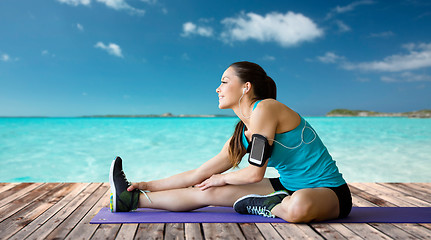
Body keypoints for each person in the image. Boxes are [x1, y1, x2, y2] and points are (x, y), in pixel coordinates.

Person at [109, 61, 352, 223]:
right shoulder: (241, 134)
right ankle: (129, 200)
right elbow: (199, 174)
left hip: (329, 192)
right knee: (206, 190)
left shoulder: (267, 108)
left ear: (246, 87)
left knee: (299, 207)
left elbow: (255, 174)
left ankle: (266, 205)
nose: (217, 88)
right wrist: (146, 185)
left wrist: (223, 178)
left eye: (224, 81)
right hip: (285, 186)